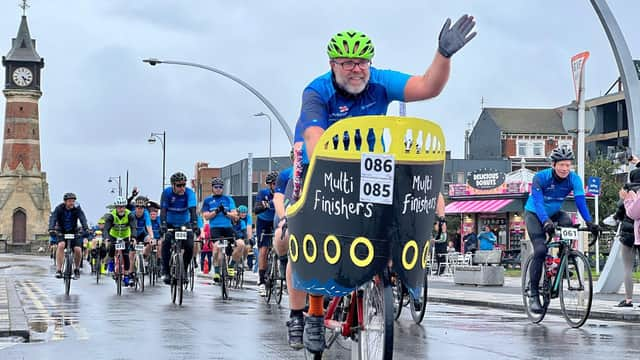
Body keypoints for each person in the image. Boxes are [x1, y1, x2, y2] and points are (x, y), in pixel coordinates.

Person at [291, 18, 476, 352]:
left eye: (361, 62)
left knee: (389, 211)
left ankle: (381, 270)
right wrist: (330, 174)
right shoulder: (317, 91)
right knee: (310, 232)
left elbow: (427, 86)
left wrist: (443, 54)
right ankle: (310, 315)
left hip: (368, 159)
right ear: (333, 65)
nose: (355, 69)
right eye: (347, 63)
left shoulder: (380, 82)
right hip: (321, 160)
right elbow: (315, 139)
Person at [524, 147, 599, 314]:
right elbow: (538, 203)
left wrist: (590, 222)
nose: (565, 168)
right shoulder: (540, 178)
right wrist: (545, 222)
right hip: (535, 214)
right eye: (562, 165)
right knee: (541, 250)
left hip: (556, 213)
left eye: (568, 165)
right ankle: (534, 294)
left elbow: (580, 202)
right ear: (553, 164)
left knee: (568, 223)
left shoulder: (574, 179)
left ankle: (562, 261)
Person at [160, 172, 199, 285]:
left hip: (184, 223)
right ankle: (166, 271)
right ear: (173, 185)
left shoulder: (189, 193)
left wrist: (195, 224)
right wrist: (163, 225)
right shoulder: (167, 193)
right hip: (169, 223)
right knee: (166, 241)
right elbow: (163, 211)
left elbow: (192, 210)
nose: (182, 188)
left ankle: (184, 270)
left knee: (190, 245)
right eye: (179, 185)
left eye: (183, 185)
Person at [201, 177, 241, 283]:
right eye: (216, 187)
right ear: (212, 188)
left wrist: (225, 213)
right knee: (216, 248)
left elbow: (235, 216)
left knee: (240, 244)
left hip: (228, 227)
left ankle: (231, 266)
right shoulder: (208, 201)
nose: (218, 189)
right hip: (215, 228)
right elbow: (206, 216)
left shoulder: (228, 199)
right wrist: (216, 211)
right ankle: (217, 271)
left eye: (220, 187)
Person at [615, 162, 640, 307]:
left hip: (627, 233)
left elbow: (621, 211)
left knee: (627, 267)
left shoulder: (628, 192)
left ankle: (629, 299)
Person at [49, 193, 90, 279]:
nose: (72, 203)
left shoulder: (77, 208)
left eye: (73, 201)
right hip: (62, 231)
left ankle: (77, 269)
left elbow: (82, 218)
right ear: (65, 202)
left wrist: (86, 228)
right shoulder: (59, 208)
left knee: (78, 249)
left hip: (74, 231)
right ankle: (59, 270)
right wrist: (51, 228)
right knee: (61, 245)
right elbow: (53, 218)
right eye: (70, 201)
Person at [103, 196, 137, 286]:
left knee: (126, 255)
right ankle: (110, 263)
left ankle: (126, 275)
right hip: (114, 235)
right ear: (116, 207)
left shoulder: (130, 215)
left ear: (125, 207)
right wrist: (106, 238)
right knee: (111, 247)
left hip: (125, 235)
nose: (121, 209)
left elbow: (133, 227)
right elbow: (106, 228)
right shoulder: (112, 215)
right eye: (119, 207)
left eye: (122, 207)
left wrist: (133, 237)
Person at [254, 171, 278, 297]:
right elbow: (256, 210)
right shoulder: (263, 193)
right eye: (274, 183)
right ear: (270, 185)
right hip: (263, 222)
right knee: (263, 250)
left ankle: (279, 270)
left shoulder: (283, 193)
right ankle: (262, 281)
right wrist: (265, 206)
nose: (276, 185)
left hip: (276, 221)